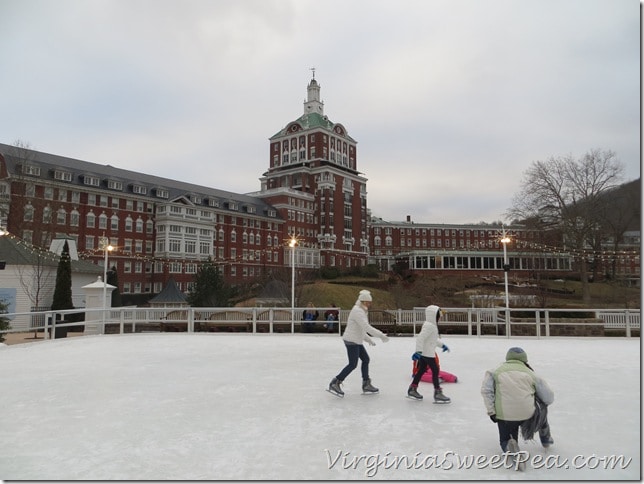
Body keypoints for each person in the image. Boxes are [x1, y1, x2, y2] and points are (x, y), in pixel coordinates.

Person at [480, 347, 555, 455]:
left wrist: (491, 411)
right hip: (527, 414)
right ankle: (545, 435)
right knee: (542, 406)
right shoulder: (531, 374)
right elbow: (548, 398)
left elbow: (486, 391)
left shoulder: (494, 372)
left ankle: (509, 445)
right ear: (525, 360)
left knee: (505, 438)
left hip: (504, 416)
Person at [328, 290, 389, 396]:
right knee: (353, 364)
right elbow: (366, 327)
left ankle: (366, 384)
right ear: (363, 302)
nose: (370, 304)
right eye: (368, 302)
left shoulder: (362, 310)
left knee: (365, 359)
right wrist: (380, 335)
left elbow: (360, 329)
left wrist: (368, 339)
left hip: (356, 340)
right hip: (351, 341)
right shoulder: (357, 311)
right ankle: (336, 382)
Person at [407, 305, 451, 403]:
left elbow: (433, 340)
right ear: (433, 316)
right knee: (435, 371)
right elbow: (420, 338)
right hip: (427, 353)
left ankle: (412, 389)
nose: (440, 318)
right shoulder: (430, 326)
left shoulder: (430, 325)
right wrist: (418, 351)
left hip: (426, 352)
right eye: (438, 316)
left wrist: (442, 345)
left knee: (421, 370)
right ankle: (437, 393)